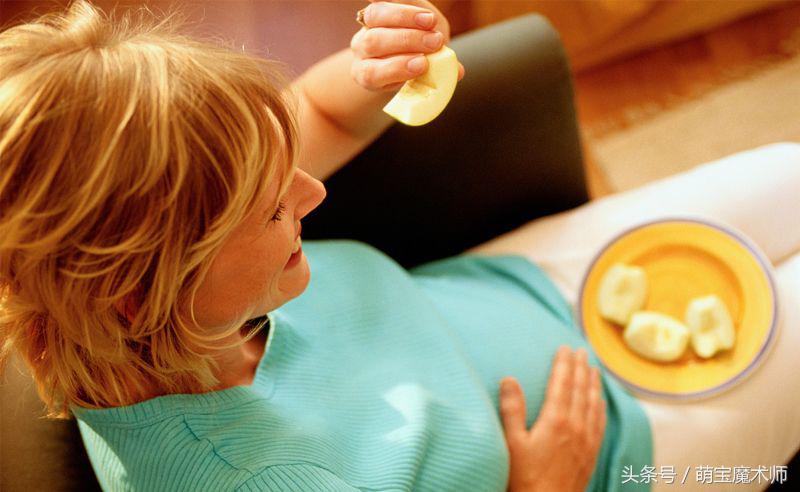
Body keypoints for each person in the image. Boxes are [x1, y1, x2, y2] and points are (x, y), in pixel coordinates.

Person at [1, 1, 798, 491]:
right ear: (137, 292)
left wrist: (379, 67)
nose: (312, 194)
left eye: (287, 167)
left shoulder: (188, 210)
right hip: (627, 450)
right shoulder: (264, 480)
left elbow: (327, 111)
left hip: (521, 286)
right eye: (273, 209)